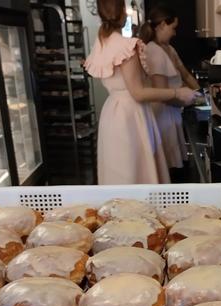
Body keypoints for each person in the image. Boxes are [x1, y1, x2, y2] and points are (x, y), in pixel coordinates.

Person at [84, 0, 195, 185]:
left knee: (120, 175)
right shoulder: (126, 46)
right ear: (123, 13)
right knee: (138, 176)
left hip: (112, 114)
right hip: (130, 115)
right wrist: (177, 93)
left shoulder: (100, 43)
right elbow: (138, 92)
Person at [139, 5, 200, 178]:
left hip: (172, 112)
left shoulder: (169, 49)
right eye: (173, 28)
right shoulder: (154, 51)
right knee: (169, 169)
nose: (175, 33)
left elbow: (185, 74)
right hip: (162, 116)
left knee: (175, 164)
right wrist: (192, 99)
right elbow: (162, 93)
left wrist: (201, 93)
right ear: (162, 25)